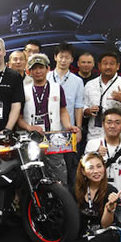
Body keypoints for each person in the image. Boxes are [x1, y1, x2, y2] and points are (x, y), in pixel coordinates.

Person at [17, 54, 80, 185]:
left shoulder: (57, 88)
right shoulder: (23, 90)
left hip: (53, 138)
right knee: (32, 176)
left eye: (41, 67)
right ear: (29, 71)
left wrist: (68, 125)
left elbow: (63, 110)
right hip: (31, 139)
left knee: (59, 176)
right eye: (34, 68)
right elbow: (18, 117)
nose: (38, 71)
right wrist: (29, 127)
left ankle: (61, 197)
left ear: (48, 69)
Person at [48, 42, 85, 188]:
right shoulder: (46, 77)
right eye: (61, 57)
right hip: (48, 131)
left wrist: (79, 128)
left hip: (68, 132)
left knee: (70, 167)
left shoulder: (77, 81)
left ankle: (69, 198)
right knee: (49, 168)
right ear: (55, 57)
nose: (63, 60)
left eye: (67, 57)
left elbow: (78, 106)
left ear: (72, 60)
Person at [83, 52, 121, 142]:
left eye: (111, 64)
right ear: (99, 66)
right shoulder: (90, 84)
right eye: (105, 64)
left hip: (117, 137)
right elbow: (82, 107)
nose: (108, 67)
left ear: (118, 66)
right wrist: (88, 111)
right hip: (94, 136)